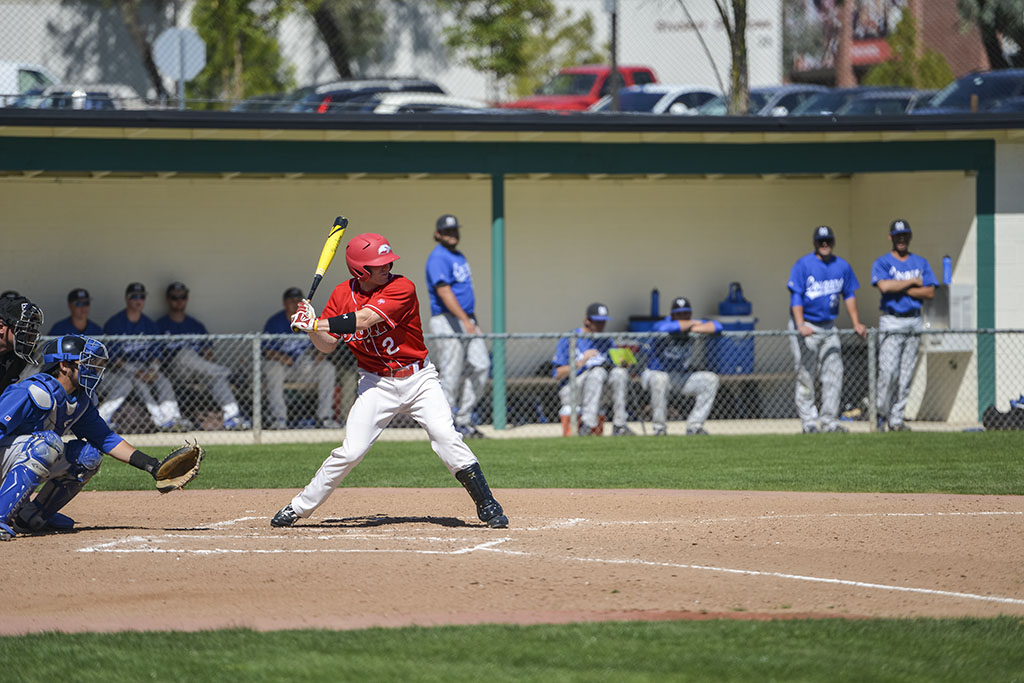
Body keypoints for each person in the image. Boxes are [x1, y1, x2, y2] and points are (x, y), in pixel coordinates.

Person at [271, 232, 508, 529]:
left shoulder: (402, 287)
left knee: (446, 438)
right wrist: (310, 328)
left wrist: (316, 321)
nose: (388, 266)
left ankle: (487, 503)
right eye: (379, 264)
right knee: (351, 451)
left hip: (419, 379)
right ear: (360, 270)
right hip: (376, 384)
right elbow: (327, 343)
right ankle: (298, 507)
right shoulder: (342, 294)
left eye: (387, 261)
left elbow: (366, 319)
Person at [0, 335, 172, 540]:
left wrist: (152, 466)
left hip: (18, 458)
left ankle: (31, 517)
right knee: (47, 445)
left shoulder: (79, 401)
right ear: (64, 365)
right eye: (87, 364)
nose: (94, 371)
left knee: (88, 456)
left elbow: (106, 439)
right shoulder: (31, 391)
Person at [787, 225, 867, 433]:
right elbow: (795, 296)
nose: (825, 244)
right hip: (807, 325)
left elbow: (849, 295)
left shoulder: (842, 266)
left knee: (834, 373)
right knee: (806, 374)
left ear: (833, 242)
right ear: (814, 243)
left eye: (828, 241)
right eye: (821, 241)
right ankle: (809, 422)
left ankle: (830, 421)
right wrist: (800, 324)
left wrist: (856, 322)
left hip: (829, 327)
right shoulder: (803, 265)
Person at [425, 213, 489, 439]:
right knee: (450, 373)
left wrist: (471, 320)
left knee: (481, 365)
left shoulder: (459, 255)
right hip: (447, 318)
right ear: (437, 234)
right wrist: (464, 319)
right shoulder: (438, 258)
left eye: (455, 230)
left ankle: (464, 419)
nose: (452, 234)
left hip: (466, 319)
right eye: (448, 231)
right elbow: (444, 292)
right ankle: (446, 424)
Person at [871, 219, 937, 432]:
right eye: (897, 236)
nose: (902, 239)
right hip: (892, 319)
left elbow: (929, 292)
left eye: (905, 235)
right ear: (891, 237)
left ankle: (896, 419)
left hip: (914, 320)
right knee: (888, 372)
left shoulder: (920, 262)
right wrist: (912, 283)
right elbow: (884, 286)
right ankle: (881, 414)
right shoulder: (882, 262)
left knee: (906, 374)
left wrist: (898, 289)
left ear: (910, 237)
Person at [157, 282, 251, 431]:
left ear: (187, 299)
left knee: (217, 378)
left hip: (198, 371)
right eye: (175, 297)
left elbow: (208, 354)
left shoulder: (195, 325)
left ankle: (232, 417)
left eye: (183, 297)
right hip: (173, 372)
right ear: (168, 299)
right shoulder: (160, 325)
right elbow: (155, 356)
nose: (179, 301)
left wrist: (207, 369)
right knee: (185, 353)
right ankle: (230, 374)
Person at [98, 282, 191, 432]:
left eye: (142, 296)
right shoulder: (115, 323)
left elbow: (156, 354)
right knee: (139, 385)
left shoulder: (149, 324)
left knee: (163, 382)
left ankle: (172, 417)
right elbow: (113, 359)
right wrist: (137, 373)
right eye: (134, 296)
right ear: (127, 299)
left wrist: (153, 370)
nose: (138, 300)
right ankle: (160, 419)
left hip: (145, 367)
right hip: (122, 370)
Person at [640, 297, 722, 436]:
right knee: (661, 379)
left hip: (679, 376)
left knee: (710, 379)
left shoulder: (692, 324)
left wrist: (691, 326)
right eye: (679, 314)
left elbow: (717, 326)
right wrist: (689, 325)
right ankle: (659, 429)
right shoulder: (662, 323)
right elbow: (664, 329)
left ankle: (694, 427)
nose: (683, 316)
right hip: (654, 374)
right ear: (672, 315)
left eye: (686, 313)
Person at [262, 287, 339, 429]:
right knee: (273, 369)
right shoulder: (275, 322)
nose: (295, 303)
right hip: (285, 368)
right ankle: (278, 419)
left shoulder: (311, 320)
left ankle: (325, 417)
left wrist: (319, 354)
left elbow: (325, 341)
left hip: (306, 367)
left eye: (299, 301)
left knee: (327, 368)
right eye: (292, 301)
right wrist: (282, 358)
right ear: (285, 303)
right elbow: (266, 350)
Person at [552, 303, 629, 436]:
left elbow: (613, 366)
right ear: (587, 320)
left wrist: (622, 363)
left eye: (603, 322)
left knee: (619, 373)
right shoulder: (570, 338)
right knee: (597, 372)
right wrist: (581, 363)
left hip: (599, 389)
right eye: (597, 322)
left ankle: (620, 425)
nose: (601, 326)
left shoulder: (606, 340)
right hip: (573, 388)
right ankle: (587, 425)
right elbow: (558, 374)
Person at [0, 293, 43, 392]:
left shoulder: (19, 357)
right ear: (1, 328)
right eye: (23, 326)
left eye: (31, 327)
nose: (30, 332)